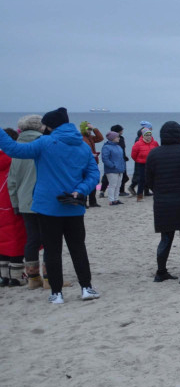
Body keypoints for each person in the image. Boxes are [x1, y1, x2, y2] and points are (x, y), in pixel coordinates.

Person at [0, 107, 101, 304]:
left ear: (50, 126)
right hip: (74, 205)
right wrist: (80, 190)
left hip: (47, 208)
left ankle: (57, 294)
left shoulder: (45, 143)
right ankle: (86, 288)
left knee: (52, 250)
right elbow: (93, 175)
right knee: (78, 248)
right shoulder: (82, 145)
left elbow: (13, 149)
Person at [145, 121, 180, 283]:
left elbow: (148, 180)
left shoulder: (154, 154)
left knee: (165, 238)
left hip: (163, 202)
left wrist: (159, 192)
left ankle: (161, 271)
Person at [7, 115, 46, 289]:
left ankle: (33, 277)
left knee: (32, 239)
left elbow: (12, 181)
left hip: (24, 200)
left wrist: (15, 203)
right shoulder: (44, 144)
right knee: (50, 239)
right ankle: (49, 276)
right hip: (44, 199)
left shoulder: (16, 148)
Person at [0, 133, 28, 287]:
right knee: (16, 239)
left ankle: (4, 275)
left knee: (3, 240)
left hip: (1, 205)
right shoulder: (13, 159)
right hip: (11, 203)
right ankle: (16, 276)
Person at [79, 122, 104, 207]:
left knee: (93, 181)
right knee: (85, 182)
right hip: (84, 163)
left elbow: (100, 138)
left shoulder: (91, 137)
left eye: (90, 129)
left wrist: (94, 129)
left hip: (93, 162)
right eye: (88, 129)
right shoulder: (80, 138)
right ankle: (83, 202)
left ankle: (93, 202)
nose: (89, 131)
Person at [131, 127, 159, 201]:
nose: (148, 137)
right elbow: (133, 155)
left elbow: (157, 152)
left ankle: (156, 193)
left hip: (152, 164)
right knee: (142, 180)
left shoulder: (155, 143)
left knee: (154, 179)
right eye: (147, 135)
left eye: (150, 135)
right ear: (143, 135)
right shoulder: (138, 144)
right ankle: (139, 196)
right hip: (142, 164)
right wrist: (139, 160)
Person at [100, 131, 126, 205]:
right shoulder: (106, 147)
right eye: (117, 137)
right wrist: (112, 165)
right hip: (111, 170)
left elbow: (121, 158)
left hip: (120, 169)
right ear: (113, 138)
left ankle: (116, 199)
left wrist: (122, 166)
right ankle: (111, 200)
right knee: (112, 185)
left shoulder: (118, 146)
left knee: (118, 185)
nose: (119, 138)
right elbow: (105, 159)